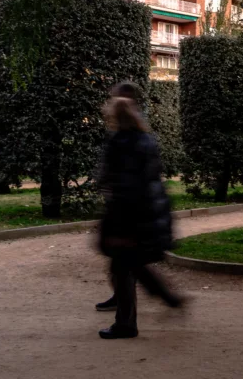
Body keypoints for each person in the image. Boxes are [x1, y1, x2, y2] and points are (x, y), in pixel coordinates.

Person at [97, 95, 182, 339]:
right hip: (147, 210)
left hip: (127, 214)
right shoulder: (147, 140)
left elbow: (117, 182)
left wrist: (118, 223)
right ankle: (167, 298)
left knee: (123, 267)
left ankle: (127, 324)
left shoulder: (118, 142)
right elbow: (151, 176)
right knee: (130, 263)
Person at [95, 81, 144, 313]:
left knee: (125, 263)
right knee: (124, 262)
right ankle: (123, 301)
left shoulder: (123, 139)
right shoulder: (140, 137)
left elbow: (114, 175)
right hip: (131, 207)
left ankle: (127, 315)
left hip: (125, 209)